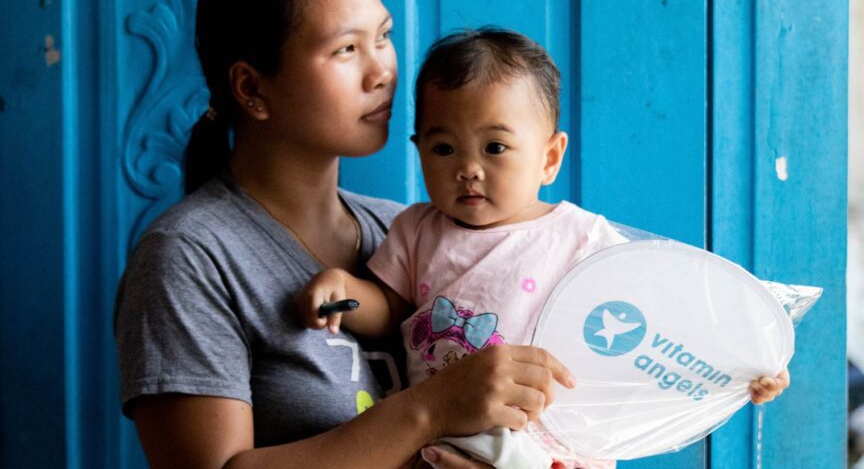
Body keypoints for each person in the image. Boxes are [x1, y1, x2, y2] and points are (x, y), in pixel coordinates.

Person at [114, 0, 573, 469]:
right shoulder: (188, 257)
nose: (382, 71)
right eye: (347, 48)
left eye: (383, 36)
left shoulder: (409, 231)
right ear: (252, 88)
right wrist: (428, 410)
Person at [296, 28, 791, 468]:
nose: (468, 168)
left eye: (495, 148)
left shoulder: (583, 239)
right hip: (443, 440)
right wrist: (345, 294)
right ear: (419, 148)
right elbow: (392, 310)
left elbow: (663, 323)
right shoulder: (416, 229)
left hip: (555, 449)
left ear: (550, 157)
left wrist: (743, 362)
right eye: (443, 148)